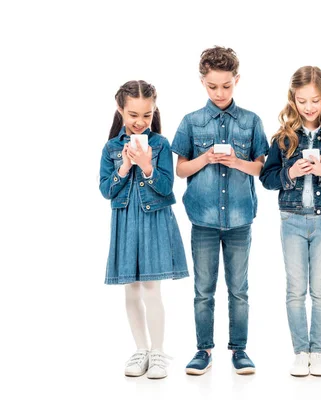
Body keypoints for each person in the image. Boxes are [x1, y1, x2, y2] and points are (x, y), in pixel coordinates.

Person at [171, 46, 269, 375]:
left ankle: (239, 350)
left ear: (236, 80)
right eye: (213, 86)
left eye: (226, 85)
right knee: (203, 290)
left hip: (241, 219)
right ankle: (203, 350)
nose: (220, 92)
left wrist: (235, 161)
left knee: (239, 290)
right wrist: (207, 157)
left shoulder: (251, 121)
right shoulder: (191, 122)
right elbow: (181, 170)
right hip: (203, 220)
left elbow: (261, 169)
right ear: (203, 82)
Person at [260, 66, 321, 377]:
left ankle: (319, 351)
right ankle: (301, 352)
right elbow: (268, 178)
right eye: (302, 101)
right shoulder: (284, 138)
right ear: (293, 100)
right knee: (295, 288)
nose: (309, 107)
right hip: (292, 220)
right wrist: (291, 173)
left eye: (315, 100)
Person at [99, 80, 189, 379]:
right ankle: (140, 349)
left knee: (152, 288)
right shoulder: (112, 148)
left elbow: (165, 187)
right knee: (131, 289)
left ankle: (158, 352)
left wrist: (147, 166)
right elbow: (106, 191)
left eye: (147, 115)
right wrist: (124, 166)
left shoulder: (161, 144)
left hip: (154, 220)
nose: (140, 122)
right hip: (125, 222)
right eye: (133, 115)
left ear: (154, 112)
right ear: (120, 110)